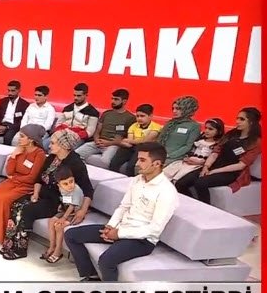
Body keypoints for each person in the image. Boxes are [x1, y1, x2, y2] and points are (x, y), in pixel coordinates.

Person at [64, 142, 179, 282]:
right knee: (71, 235)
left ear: (157, 164)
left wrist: (119, 234)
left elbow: (154, 229)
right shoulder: (137, 180)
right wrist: (111, 226)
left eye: (142, 160)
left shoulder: (167, 192)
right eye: (138, 159)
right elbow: (124, 206)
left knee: (106, 261)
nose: (137, 163)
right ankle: (91, 276)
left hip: (142, 240)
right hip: (121, 228)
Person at [0, 130, 93, 260]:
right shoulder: (51, 158)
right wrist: (35, 194)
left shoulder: (76, 164)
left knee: (27, 210)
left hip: (58, 202)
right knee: (16, 204)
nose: (49, 145)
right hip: (43, 195)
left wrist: (82, 211)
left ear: (64, 145)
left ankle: (20, 249)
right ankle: (10, 244)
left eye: (53, 143)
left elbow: (88, 190)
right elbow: (39, 178)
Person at [174, 108, 261, 204]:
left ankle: (206, 208)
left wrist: (215, 171)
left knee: (200, 183)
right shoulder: (231, 135)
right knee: (180, 184)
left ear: (251, 122)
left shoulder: (256, 142)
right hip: (213, 166)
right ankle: (193, 205)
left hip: (230, 172)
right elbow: (215, 152)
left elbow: (241, 165)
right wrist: (206, 167)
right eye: (237, 118)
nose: (237, 121)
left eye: (242, 119)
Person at [0, 124, 47, 242]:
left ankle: (2, 235)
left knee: (3, 200)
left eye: (22, 136)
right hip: (12, 182)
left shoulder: (39, 154)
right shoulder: (20, 150)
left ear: (31, 139)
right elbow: (9, 171)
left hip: (26, 186)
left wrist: (14, 178)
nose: (19, 139)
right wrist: (14, 155)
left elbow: (32, 178)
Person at [75, 89, 136, 166]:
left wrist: (109, 143)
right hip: (98, 143)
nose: (113, 101)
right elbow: (97, 130)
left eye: (116, 99)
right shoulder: (106, 114)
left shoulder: (130, 118)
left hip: (113, 145)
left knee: (105, 162)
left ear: (124, 101)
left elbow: (127, 138)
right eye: (112, 99)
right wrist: (97, 140)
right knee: (75, 155)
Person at [43, 166, 84, 264]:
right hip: (66, 210)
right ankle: (52, 246)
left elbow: (72, 206)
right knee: (51, 221)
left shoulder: (77, 190)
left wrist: (63, 218)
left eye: (71, 181)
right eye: (65, 183)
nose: (70, 185)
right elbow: (65, 201)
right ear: (59, 185)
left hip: (75, 213)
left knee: (59, 226)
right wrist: (61, 209)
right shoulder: (61, 188)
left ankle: (58, 251)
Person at [162, 118, 224, 183]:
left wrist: (202, 163)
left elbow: (212, 158)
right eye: (206, 128)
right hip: (187, 162)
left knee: (179, 177)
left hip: (197, 166)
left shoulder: (216, 145)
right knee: (167, 173)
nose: (206, 131)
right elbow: (191, 151)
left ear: (219, 131)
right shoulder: (199, 141)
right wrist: (187, 158)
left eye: (210, 129)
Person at [108, 104, 162, 175]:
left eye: (142, 116)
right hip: (132, 147)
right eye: (137, 116)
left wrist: (129, 141)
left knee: (131, 166)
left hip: (145, 149)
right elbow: (130, 142)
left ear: (150, 116)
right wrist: (127, 141)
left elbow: (146, 141)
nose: (139, 118)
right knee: (114, 162)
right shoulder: (133, 126)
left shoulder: (156, 127)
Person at [157, 96, 201, 165]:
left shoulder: (194, 126)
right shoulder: (170, 123)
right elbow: (159, 140)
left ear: (187, 109)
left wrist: (170, 155)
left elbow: (188, 146)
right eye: (173, 108)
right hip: (159, 155)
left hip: (176, 158)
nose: (174, 111)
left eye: (178, 109)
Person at [0, 80, 30, 144]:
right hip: (1, 124)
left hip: (12, 127)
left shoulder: (24, 104)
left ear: (19, 90)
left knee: (8, 138)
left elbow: (21, 122)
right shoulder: (3, 101)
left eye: (13, 91)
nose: (10, 93)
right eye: (8, 90)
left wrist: (7, 128)